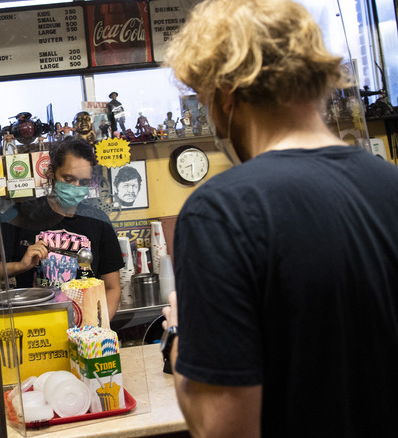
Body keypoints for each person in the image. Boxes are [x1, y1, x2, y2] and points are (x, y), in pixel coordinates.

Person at [160, 0, 398, 437]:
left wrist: (178, 337)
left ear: (225, 95)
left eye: (203, 99)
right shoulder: (390, 184)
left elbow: (222, 429)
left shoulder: (220, 211)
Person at [0, 137, 124, 320]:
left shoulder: (99, 221)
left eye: (83, 183)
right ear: (52, 172)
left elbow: (112, 287)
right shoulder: (20, 216)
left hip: (85, 328)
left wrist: (97, 329)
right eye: (69, 179)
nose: (76, 188)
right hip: (36, 327)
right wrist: (19, 266)